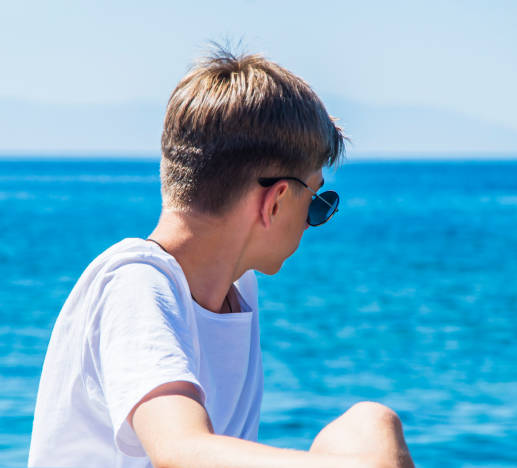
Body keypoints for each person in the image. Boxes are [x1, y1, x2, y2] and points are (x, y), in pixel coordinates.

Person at [28, 44, 414, 468]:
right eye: (318, 201)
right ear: (275, 202)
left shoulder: (236, 290)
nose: (313, 220)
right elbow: (180, 449)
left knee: (370, 424)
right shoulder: (137, 285)